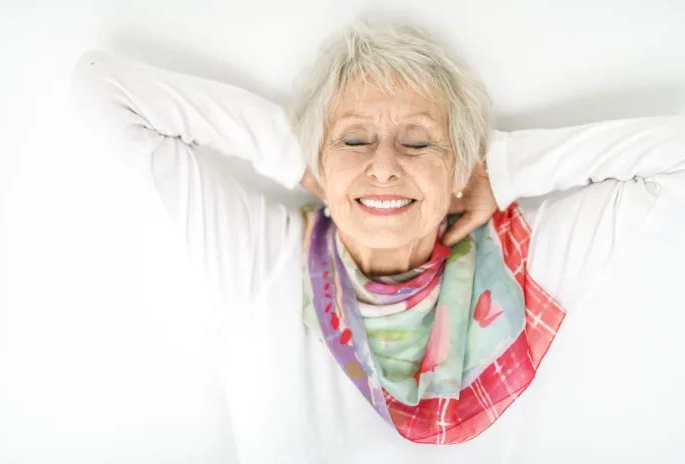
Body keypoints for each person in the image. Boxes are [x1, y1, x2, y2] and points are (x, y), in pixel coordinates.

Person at [72, 19, 685, 463]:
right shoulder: (263, 260)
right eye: (355, 140)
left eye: (418, 143)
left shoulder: (521, 268)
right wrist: (305, 158)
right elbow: (100, 88)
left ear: (458, 172)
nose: (385, 166)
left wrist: (502, 171)